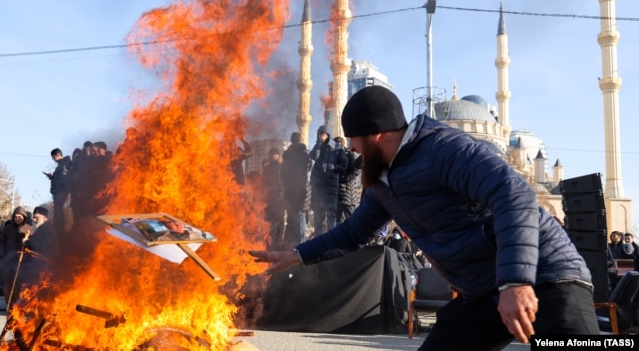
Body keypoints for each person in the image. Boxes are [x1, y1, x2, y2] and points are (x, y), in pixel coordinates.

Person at [251, 85, 599, 349]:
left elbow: (514, 194)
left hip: (548, 276)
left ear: (375, 134)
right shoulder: (384, 179)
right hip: (485, 291)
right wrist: (297, 255)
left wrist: (515, 282)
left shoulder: (444, 149)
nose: (351, 149)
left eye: (353, 139)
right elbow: (353, 232)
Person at [308, 126, 347, 236]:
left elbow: (344, 165)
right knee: (318, 217)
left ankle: (332, 241)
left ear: (329, 134)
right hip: (318, 187)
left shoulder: (338, 148)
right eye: (320, 134)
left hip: (331, 187)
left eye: (323, 134)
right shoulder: (319, 147)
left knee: (331, 217)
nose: (322, 136)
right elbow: (314, 156)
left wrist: (334, 167)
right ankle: (317, 242)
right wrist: (319, 143)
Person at [280, 132, 312, 244]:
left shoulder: (287, 154)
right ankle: (301, 243)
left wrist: (285, 185)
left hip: (290, 189)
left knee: (292, 216)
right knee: (301, 215)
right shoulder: (305, 153)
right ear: (300, 139)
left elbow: (282, 173)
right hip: (302, 188)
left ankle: (293, 243)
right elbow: (309, 167)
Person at [46, 148, 73, 241]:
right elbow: (59, 178)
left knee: (59, 210)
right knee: (57, 210)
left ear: (56, 155)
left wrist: (60, 188)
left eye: (53, 157)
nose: (53, 159)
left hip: (63, 192)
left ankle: (60, 227)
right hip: (58, 192)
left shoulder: (65, 164)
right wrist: (52, 177)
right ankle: (58, 225)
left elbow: (64, 178)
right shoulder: (60, 165)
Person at [333, 136, 362, 224]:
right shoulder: (336, 157)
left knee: (351, 222)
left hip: (348, 195)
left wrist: (344, 179)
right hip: (339, 195)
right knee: (339, 222)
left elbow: (356, 170)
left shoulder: (350, 155)